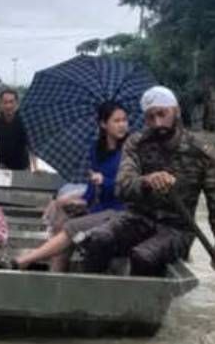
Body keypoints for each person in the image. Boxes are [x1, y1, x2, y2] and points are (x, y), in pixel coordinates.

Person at [74, 86, 215, 277]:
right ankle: (88, 293)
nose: (157, 123)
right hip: (137, 219)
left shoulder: (201, 152)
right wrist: (146, 181)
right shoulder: (136, 143)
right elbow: (121, 187)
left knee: (143, 256)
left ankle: (136, 305)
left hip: (176, 229)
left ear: (176, 111)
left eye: (162, 114)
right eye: (150, 117)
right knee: (98, 239)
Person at [7, 102, 129, 271]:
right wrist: (79, 200)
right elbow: (91, 191)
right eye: (117, 121)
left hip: (119, 210)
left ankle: (25, 260)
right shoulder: (96, 149)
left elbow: (129, 187)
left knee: (71, 227)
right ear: (103, 124)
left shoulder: (130, 152)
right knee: (62, 217)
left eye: (124, 120)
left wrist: (105, 181)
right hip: (98, 208)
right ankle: (56, 275)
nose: (122, 125)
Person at [0, 89, 35, 171]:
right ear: (0, 104)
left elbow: (31, 146)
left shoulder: (24, 120)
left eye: (11, 102)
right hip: (2, 163)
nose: (8, 106)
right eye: (5, 102)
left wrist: (36, 167)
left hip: (22, 164)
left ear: (17, 103)